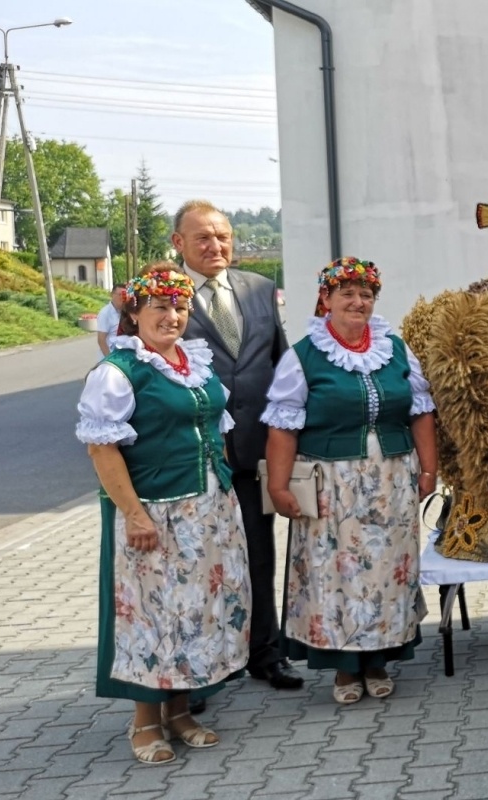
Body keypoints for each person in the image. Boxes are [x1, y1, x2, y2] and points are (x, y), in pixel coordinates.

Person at [76, 266, 249, 765]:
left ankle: (179, 712)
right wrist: (133, 515)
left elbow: (213, 428)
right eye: (159, 307)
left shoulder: (192, 362)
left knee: (193, 611)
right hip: (154, 511)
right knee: (149, 614)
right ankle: (144, 723)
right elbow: (102, 448)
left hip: (207, 509)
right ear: (133, 313)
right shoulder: (119, 371)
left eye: (179, 307)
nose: (172, 316)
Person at [262, 258, 437, 703]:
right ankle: (344, 669)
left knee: (386, 573)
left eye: (366, 295)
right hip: (331, 484)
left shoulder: (395, 348)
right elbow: (282, 426)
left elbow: (420, 412)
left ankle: (379, 659)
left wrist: (429, 468)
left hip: (392, 479)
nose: (358, 302)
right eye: (348, 294)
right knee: (335, 575)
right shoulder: (304, 355)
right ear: (326, 299)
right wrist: (279, 488)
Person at [175, 200, 301, 693]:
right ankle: (200, 673)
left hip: (255, 453)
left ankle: (265, 654)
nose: (215, 246)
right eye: (202, 238)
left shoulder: (260, 289)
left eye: (222, 236)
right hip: (198, 459)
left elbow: (282, 365)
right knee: (201, 565)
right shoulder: (166, 297)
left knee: (259, 555)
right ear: (179, 244)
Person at [95, 284, 125, 357]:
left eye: (124, 295)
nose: (122, 297)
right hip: (110, 356)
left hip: (121, 356)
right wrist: (109, 358)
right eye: (120, 294)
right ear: (112, 295)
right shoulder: (105, 313)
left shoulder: (124, 312)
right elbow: (101, 340)